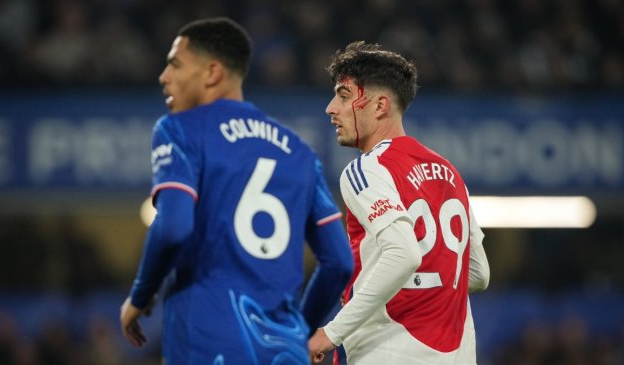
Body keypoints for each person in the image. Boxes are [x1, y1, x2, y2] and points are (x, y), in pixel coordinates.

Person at [119, 17, 354, 365]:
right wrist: (299, 332)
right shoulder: (299, 151)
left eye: (175, 64)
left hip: (208, 338)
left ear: (212, 73)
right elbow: (338, 262)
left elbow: (172, 227)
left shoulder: (180, 129)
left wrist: (138, 298)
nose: (164, 76)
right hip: (284, 350)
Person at [308, 41, 490, 365]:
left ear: (379, 105)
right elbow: (477, 273)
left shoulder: (366, 169)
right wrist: (425, 283)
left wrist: (330, 333)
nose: (331, 108)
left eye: (344, 95)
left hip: (388, 352)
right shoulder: (449, 172)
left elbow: (403, 253)